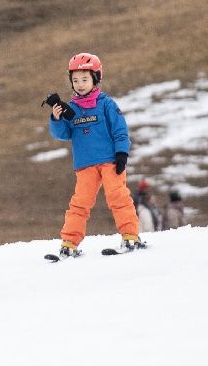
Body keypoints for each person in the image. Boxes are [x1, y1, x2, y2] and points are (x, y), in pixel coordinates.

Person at [44, 52, 141, 258]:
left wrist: (122, 153)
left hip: (110, 162)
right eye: (76, 80)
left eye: (85, 79)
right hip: (85, 165)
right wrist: (56, 118)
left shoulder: (106, 104)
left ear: (95, 79)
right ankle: (69, 242)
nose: (80, 84)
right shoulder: (72, 110)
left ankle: (130, 236)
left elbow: (120, 130)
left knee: (118, 197)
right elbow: (62, 134)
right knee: (80, 203)